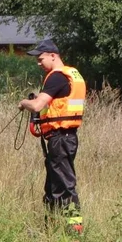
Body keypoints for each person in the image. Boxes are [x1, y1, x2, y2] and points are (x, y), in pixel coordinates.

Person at [18, 39, 86, 231]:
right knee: (52, 188)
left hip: (60, 139)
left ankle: (75, 232)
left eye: (41, 59)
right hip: (64, 138)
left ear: (53, 56)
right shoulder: (71, 74)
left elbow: (37, 105)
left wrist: (24, 103)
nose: (38, 64)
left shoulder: (57, 77)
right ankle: (50, 229)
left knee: (65, 186)